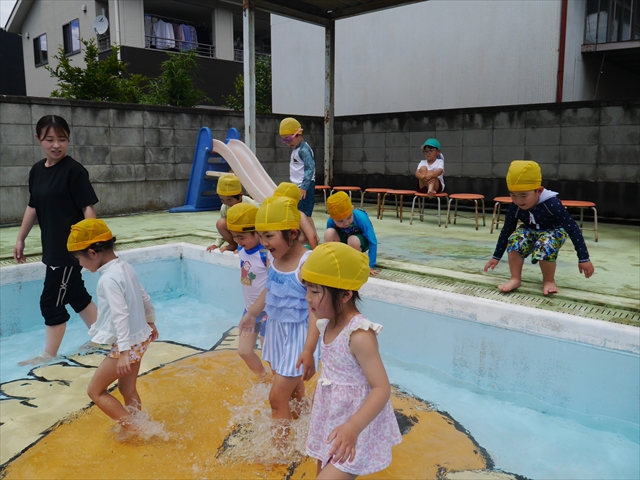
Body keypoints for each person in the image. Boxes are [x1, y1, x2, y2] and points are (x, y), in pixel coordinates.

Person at [297, 242, 402, 478]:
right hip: (332, 418)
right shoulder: (328, 319)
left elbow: (381, 388)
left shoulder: (359, 335)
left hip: (355, 426)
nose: (308, 298)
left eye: (315, 292)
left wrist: (353, 427)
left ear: (345, 295)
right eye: (307, 290)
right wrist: (308, 350)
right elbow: (314, 318)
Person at [14, 115, 99, 365]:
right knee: (76, 293)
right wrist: (20, 238)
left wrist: (89, 244)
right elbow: (33, 206)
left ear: (68, 140)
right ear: (38, 138)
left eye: (62, 139)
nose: (56, 145)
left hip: (69, 251)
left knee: (51, 302)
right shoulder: (37, 171)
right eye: (50, 139)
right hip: (51, 247)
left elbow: (88, 208)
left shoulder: (74, 171)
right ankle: (105, 335)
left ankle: (48, 356)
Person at [238, 195, 320, 449]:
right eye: (260, 236)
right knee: (293, 392)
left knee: (276, 398)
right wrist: (251, 314)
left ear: (292, 234)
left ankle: (279, 452)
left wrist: (309, 350)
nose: (263, 243)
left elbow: (316, 310)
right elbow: (270, 290)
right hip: (276, 332)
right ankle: (308, 427)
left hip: (298, 337)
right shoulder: (274, 259)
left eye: (269, 236)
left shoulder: (307, 263)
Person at [67, 219, 159, 432]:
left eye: (79, 259)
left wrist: (124, 352)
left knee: (95, 391)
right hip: (140, 339)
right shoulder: (125, 267)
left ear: (92, 253)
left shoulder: (108, 279)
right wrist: (151, 321)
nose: (80, 265)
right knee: (128, 388)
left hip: (126, 346)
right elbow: (144, 297)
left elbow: (120, 315)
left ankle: (137, 429)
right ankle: (136, 424)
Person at [484, 160, 595, 296]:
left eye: (524, 195)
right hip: (530, 230)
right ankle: (515, 278)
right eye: (513, 195)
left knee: (545, 244)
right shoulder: (515, 207)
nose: (518, 201)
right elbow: (507, 230)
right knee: (515, 239)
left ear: (539, 191)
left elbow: (572, 228)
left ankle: (549, 281)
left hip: (554, 230)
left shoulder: (552, 204)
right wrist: (496, 256)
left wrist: (584, 258)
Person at [227, 203, 269, 377]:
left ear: (257, 232)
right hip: (249, 310)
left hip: (268, 312)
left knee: (270, 354)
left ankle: (281, 383)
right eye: (234, 236)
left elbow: (273, 284)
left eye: (241, 237)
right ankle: (264, 378)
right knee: (244, 351)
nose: (237, 241)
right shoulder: (241, 249)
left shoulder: (266, 253)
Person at [279, 117, 319, 243]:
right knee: (303, 214)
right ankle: (311, 236)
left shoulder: (304, 150)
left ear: (299, 134)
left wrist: (304, 187)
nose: (287, 143)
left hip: (305, 186)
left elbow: (310, 168)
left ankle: (310, 237)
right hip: (298, 186)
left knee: (304, 214)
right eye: (283, 140)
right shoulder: (296, 149)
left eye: (288, 139)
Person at [325, 191, 379, 276]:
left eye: (349, 217)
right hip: (345, 240)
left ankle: (356, 263)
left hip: (359, 242)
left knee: (352, 240)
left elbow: (372, 241)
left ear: (352, 209)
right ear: (331, 217)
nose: (346, 223)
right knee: (329, 233)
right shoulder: (331, 221)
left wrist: (370, 265)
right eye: (340, 221)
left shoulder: (361, 218)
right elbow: (329, 242)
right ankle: (335, 261)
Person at [206, 173, 260, 253]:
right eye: (222, 200)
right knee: (221, 223)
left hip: (254, 234)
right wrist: (217, 244)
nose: (226, 203)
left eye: (229, 200)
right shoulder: (225, 207)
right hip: (237, 234)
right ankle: (233, 245)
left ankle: (244, 246)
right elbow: (222, 230)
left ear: (240, 195)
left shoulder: (252, 205)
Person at [273, 181, 319, 249]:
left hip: (304, 248)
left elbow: (312, 237)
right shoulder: (280, 215)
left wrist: (315, 254)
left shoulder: (299, 215)